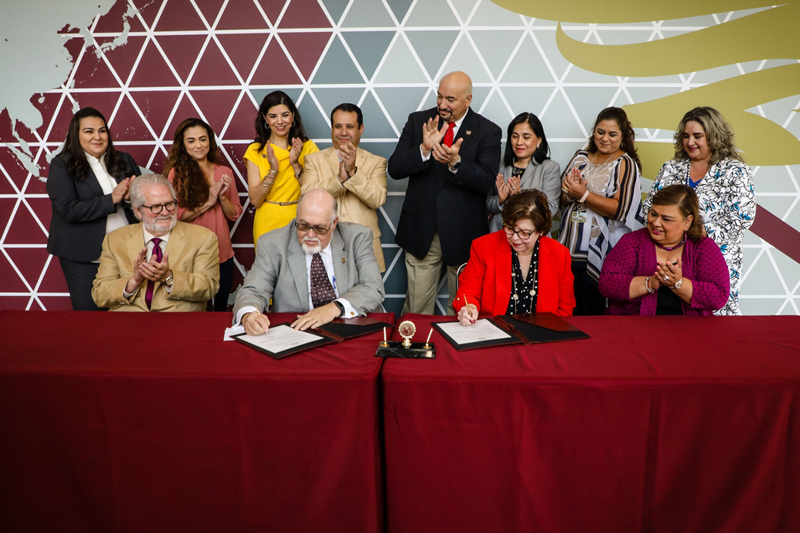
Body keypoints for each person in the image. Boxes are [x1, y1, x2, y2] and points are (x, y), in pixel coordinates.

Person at [388, 71, 501, 315]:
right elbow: (395, 168)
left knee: (461, 309)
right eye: (439, 96)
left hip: (464, 234)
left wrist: (457, 163)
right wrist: (423, 149)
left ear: (468, 99)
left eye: (450, 99)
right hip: (421, 231)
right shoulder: (419, 122)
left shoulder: (488, 131)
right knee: (417, 309)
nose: (442, 104)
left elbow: (486, 181)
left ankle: (456, 354)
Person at [643, 106, 755, 315]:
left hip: (714, 259)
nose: (690, 142)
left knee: (712, 325)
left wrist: (700, 233)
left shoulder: (735, 170)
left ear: (714, 136)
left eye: (697, 136)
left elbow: (743, 219)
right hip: (669, 258)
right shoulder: (671, 167)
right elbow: (648, 209)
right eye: (685, 136)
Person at [233, 189, 385, 334]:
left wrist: (333, 308)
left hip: (352, 326)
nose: (310, 235)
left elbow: (373, 287)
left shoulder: (357, 237)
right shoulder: (272, 243)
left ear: (334, 223)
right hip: (298, 331)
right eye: (304, 225)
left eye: (319, 228)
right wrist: (248, 315)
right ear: (297, 219)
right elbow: (253, 290)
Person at [46, 107, 142, 310]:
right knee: (90, 318)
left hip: (127, 253)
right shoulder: (61, 165)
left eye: (102, 130)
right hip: (84, 256)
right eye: (89, 131)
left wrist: (128, 199)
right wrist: (112, 199)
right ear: (76, 134)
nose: (97, 137)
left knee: (130, 313)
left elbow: (144, 204)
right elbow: (68, 209)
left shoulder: (124, 160)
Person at [558, 106, 644, 316]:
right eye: (600, 132)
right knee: (566, 306)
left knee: (590, 308)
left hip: (600, 251)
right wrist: (569, 193)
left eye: (612, 134)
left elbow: (621, 209)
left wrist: (583, 195)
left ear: (623, 136)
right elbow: (561, 197)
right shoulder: (580, 156)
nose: (605, 138)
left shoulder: (625, 164)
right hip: (569, 246)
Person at [92, 174, 220, 312]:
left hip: (179, 323)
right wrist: (133, 282)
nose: (165, 212)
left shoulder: (203, 237)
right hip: (128, 324)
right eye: (156, 206)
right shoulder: (114, 240)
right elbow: (100, 294)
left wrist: (169, 278)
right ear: (138, 211)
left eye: (170, 204)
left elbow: (209, 288)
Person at [599, 185, 730, 315]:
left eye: (666, 219)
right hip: (632, 329)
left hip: (690, 331)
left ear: (687, 222)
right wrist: (650, 283)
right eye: (653, 214)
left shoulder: (703, 247)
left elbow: (718, 297)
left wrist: (678, 283)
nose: (656, 222)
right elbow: (607, 284)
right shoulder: (632, 241)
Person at [454, 189, 575, 325]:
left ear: (541, 231)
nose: (515, 238)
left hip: (543, 334)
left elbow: (565, 309)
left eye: (524, 232)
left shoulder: (559, 254)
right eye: (510, 228)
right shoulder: (483, 247)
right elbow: (468, 292)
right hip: (494, 332)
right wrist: (469, 307)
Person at [164, 118, 242, 311]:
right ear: (183, 145)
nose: (198, 145)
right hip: (191, 251)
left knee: (221, 307)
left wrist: (222, 197)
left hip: (222, 251)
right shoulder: (176, 174)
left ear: (210, 141)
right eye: (191, 141)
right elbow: (175, 216)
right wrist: (208, 201)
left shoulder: (224, 172)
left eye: (203, 139)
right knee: (197, 309)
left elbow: (234, 215)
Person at [301, 103, 388, 271]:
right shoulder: (313, 159)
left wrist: (353, 172)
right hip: (324, 245)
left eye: (350, 127)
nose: (343, 132)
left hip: (364, 248)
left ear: (360, 129)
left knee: (367, 296)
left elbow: (377, 199)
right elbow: (306, 196)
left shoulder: (376, 162)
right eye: (338, 126)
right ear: (332, 128)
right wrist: (339, 180)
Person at [245, 91, 318, 243]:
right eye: (273, 116)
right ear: (265, 118)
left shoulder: (308, 147)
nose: (280, 121)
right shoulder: (255, 150)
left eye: (285, 115)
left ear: (293, 116)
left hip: (301, 219)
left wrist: (296, 164)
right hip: (267, 221)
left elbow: (314, 194)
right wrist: (273, 170)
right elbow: (255, 200)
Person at [486, 112, 561, 233]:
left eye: (526, 137)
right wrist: (500, 200)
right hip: (498, 234)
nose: (519, 142)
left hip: (531, 238)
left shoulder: (550, 168)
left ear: (538, 141)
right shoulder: (500, 163)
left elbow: (550, 210)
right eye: (515, 136)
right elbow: (487, 203)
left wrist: (519, 196)